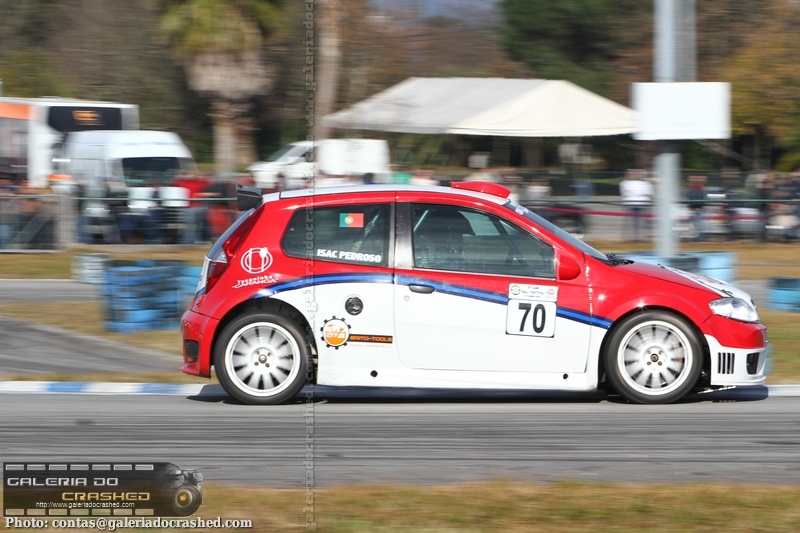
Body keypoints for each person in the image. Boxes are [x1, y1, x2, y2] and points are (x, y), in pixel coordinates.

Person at [619, 169, 654, 241]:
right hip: (630, 204)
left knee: (644, 222)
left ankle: (643, 236)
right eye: (633, 173)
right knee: (630, 222)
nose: (636, 175)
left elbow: (649, 193)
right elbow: (625, 193)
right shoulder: (624, 183)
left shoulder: (647, 183)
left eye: (638, 173)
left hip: (643, 204)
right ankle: (632, 237)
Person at [686, 175, 707, 241]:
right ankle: (695, 238)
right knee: (695, 225)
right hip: (693, 210)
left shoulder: (700, 190)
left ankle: (699, 238)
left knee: (699, 225)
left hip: (698, 210)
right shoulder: (692, 190)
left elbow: (703, 201)